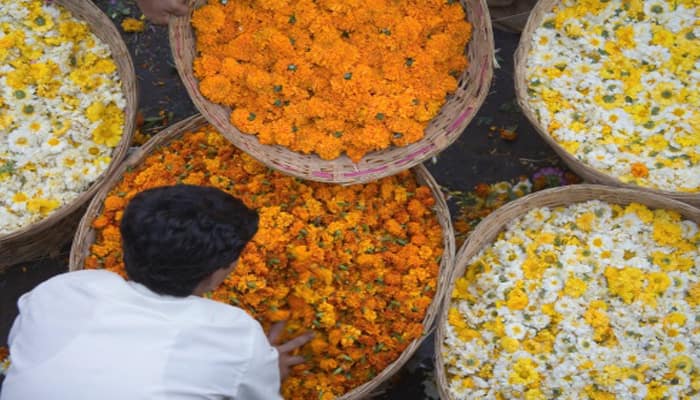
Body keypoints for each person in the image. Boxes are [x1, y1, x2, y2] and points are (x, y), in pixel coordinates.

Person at [0, 185, 313, 399]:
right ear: (214, 275)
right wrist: (268, 369)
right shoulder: (233, 334)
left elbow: (23, 348)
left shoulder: (65, 290)